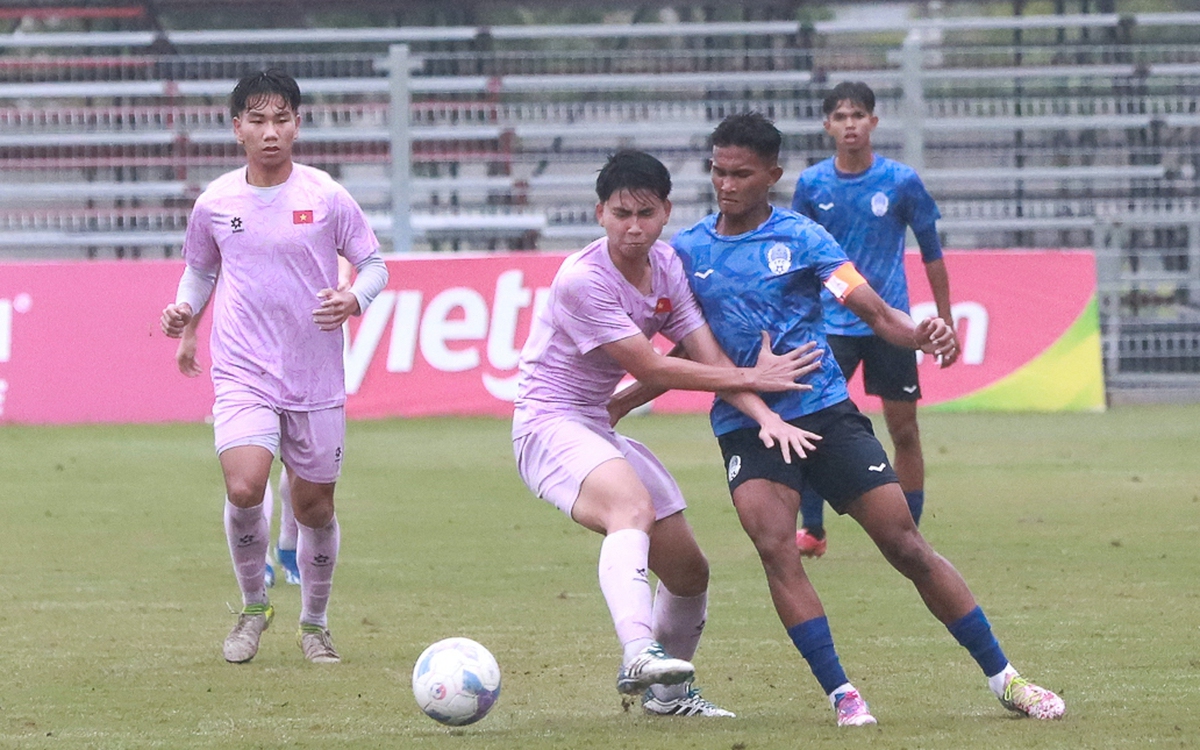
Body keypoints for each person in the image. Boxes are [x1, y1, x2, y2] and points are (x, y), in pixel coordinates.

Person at [658, 112, 1064, 725]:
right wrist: (617, 401)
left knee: (906, 546)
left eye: (740, 173)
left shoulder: (805, 240)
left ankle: (1007, 679)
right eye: (717, 171)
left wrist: (919, 333)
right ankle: (843, 694)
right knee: (777, 550)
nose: (725, 184)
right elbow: (680, 348)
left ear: (772, 174)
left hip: (824, 411)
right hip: (748, 423)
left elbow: (874, 312)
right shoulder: (686, 251)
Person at [512, 149, 825, 717]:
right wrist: (753, 375)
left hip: (596, 426)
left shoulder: (669, 268)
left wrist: (766, 415)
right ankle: (638, 651)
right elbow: (654, 368)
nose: (633, 227)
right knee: (629, 507)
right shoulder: (583, 280)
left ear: (666, 214)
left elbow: (703, 354)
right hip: (547, 422)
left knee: (687, 572)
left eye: (646, 213)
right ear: (599, 213)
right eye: (621, 213)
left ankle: (667, 697)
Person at [160, 69, 388, 665]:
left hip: (315, 374)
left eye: (281, 119)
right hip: (243, 370)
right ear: (237, 128)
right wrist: (186, 310)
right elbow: (201, 270)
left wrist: (353, 299)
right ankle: (254, 605)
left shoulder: (326, 196)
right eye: (257, 120)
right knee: (244, 485)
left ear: (298, 125)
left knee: (315, 508)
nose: (269, 132)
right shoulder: (215, 203)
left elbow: (373, 265)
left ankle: (315, 623)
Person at [790, 80, 956, 558]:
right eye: (840, 117)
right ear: (827, 126)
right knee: (812, 425)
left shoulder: (901, 182)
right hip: (831, 327)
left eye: (858, 115)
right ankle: (813, 529)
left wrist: (945, 325)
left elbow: (932, 255)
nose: (850, 125)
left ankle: (911, 533)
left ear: (873, 123)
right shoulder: (812, 185)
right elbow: (801, 257)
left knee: (903, 430)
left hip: (891, 325)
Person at [173, 255, 356, 588]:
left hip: (307, 350)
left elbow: (340, 246)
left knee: (302, 470)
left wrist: (343, 279)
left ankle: (289, 541)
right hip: (247, 360)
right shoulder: (230, 209)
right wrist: (190, 332)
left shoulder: (315, 205)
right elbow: (205, 269)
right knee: (251, 467)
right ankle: (260, 566)